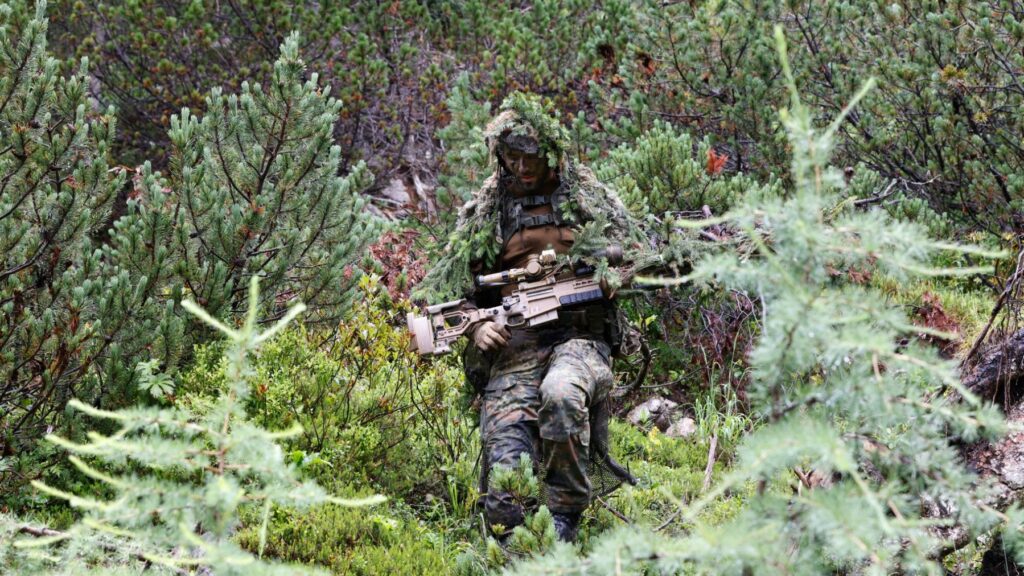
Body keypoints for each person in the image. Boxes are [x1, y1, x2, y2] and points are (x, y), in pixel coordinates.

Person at [414, 93, 648, 542]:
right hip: (516, 346)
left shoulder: (585, 196)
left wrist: (613, 270)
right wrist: (479, 326)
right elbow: (452, 286)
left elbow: (637, 250)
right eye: (512, 156)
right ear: (500, 156)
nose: (522, 167)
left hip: (580, 339)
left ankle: (566, 521)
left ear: (551, 153)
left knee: (561, 396)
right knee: (504, 480)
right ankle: (509, 539)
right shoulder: (488, 209)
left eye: (532, 157)